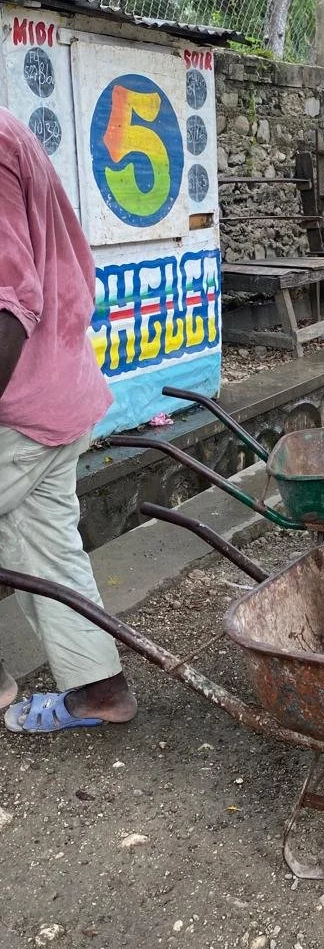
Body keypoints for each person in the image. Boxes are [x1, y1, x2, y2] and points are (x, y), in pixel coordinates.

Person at [0, 107, 137, 734]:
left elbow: (9, 303)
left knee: (44, 544)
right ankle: (99, 691)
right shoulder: (8, 130)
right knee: (46, 549)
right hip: (58, 388)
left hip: (22, 402)